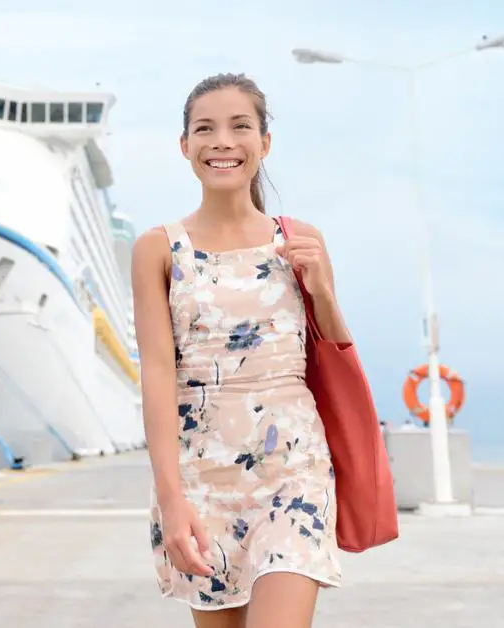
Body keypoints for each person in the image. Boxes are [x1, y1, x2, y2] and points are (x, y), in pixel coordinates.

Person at [130, 72, 355, 628]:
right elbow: (158, 375)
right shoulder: (158, 248)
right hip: (202, 478)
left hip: (293, 468)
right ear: (185, 147)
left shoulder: (299, 237)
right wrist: (171, 499)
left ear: (264, 142)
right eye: (205, 129)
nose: (222, 141)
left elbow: (335, 348)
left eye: (240, 127)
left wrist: (322, 287)